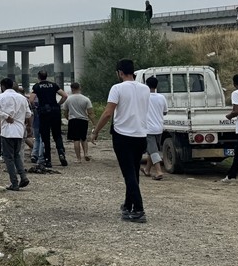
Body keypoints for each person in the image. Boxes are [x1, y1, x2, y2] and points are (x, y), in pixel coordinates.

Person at [92, 59, 151, 222]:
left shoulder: (117, 88)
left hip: (123, 135)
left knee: (128, 174)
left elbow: (107, 113)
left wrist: (96, 131)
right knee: (133, 171)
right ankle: (128, 205)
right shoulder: (145, 88)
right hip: (141, 134)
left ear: (120, 73)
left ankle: (138, 209)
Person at [0, 78, 31, 191]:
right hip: (19, 130)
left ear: (3, 86)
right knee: (16, 155)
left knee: (8, 158)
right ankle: (23, 176)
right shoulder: (22, 98)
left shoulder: (0, 97)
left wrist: (5, 116)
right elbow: (28, 114)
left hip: (7, 131)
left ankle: (14, 182)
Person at [31, 71, 68, 169]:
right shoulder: (54, 85)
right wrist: (58, 104)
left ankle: (48, 160)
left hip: (43, 112)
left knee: (45, 137)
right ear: (46, 76)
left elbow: (31, 100)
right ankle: (61, 153)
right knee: (57, 134)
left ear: (38, 77)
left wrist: (35, 107)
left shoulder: (37, 86)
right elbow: (65, 95)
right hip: (55, 111)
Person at [141, 76, 167, 180]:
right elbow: (165, 112)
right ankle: (147, 170)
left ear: (146, 85)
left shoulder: (144, 97)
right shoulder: (162, 97)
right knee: (152, 150)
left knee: (153, 151)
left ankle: (159, 171)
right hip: (159, 128)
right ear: (156, 86)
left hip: (148, 129)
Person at [63, 82, 93, 162]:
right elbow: (90, 112)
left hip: (73, 120)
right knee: (84, 138)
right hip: (83, 120)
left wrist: (68, 118)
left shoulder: (68, 99)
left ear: (71, 89)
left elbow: (65, 112)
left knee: (76, 140)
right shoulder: (86, 99)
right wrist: (94, 122)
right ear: (79, 88)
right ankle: (86, 153)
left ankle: (78, 158)